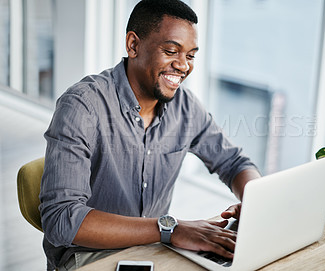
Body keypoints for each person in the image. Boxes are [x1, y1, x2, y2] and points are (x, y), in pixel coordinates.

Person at [39, 0, 261, 270]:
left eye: (190, 56)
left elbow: (234, 163)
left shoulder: (185, 106)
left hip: (155, 249)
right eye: (171, 51)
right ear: (133, 45)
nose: (183, 66)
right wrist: (170, 229)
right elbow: (62, 220)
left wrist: (256, 200)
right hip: (89, 257)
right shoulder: (82, 105)